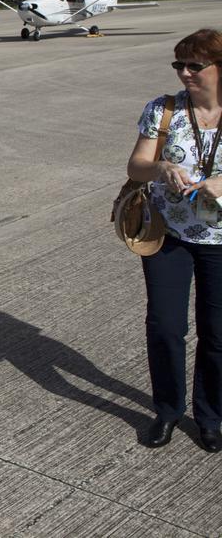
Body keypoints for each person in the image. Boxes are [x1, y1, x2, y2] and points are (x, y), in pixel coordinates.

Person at [125, 28, 222, 451]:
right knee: (164, 326)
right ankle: (167, 410)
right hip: (170, 234)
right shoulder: (163, 110)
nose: (184, 73)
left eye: (194, 66)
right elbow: (136, 165)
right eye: (178, 65)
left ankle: (211, 415)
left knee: (217, 333)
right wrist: (161, 166)